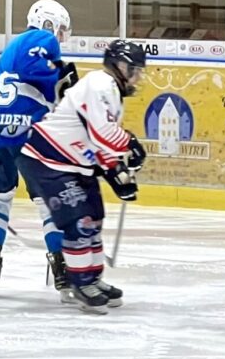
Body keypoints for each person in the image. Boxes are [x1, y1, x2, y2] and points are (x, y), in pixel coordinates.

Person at [17, 41, 146, 313]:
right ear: (119, 66)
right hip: (48, 161)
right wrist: (130, 143)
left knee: (94, 219)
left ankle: (93, 279)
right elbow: (102, 134)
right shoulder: (100, 84)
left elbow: (99, 145)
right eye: (133, 69)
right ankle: (80, 283)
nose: (137, 76)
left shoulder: (112, 92)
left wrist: (117, 174)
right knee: (80, 222)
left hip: (74, 163)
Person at [0, 0, 76, 299]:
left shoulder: (11, 49)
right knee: (48, 199)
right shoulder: (41, 38)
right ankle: (61, 268)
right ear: (48, 23)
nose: (60, 38)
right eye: (60, 30)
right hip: (22, 125)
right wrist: (61, 77)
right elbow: (35, 69)